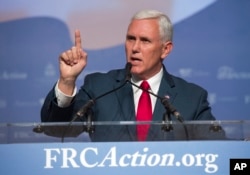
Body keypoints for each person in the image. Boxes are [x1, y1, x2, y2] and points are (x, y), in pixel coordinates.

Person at [41, 9, 218, 141]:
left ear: (166, 49)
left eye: (145, 41)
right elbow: (58, 129)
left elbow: (218, 150)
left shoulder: (192, 97)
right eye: (131, 39)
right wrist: (67, 81)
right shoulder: (99, 87)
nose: (135, 48)